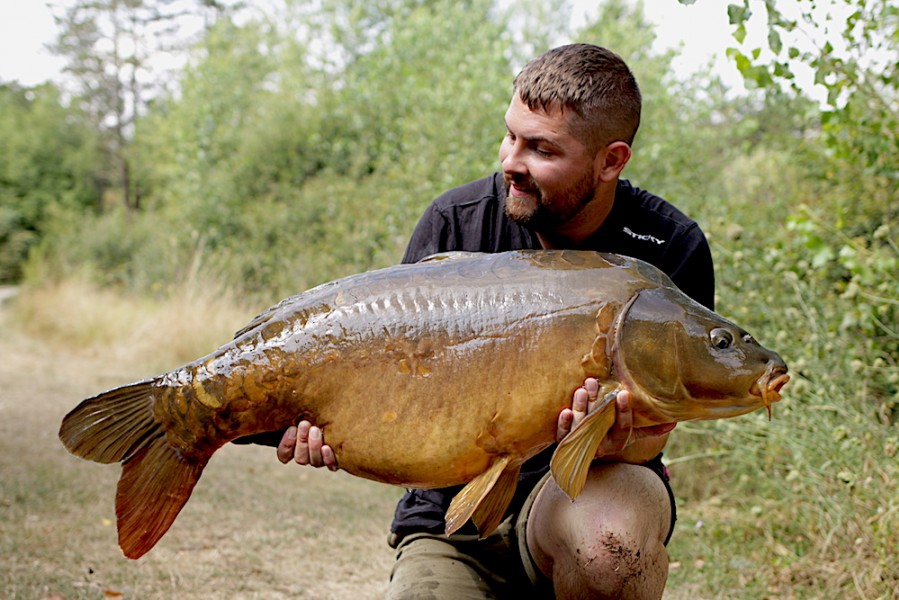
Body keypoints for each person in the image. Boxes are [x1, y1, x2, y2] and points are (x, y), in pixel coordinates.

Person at [276, 44, 715, 599]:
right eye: (511, 135)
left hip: (581, 498)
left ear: (611, 160)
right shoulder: (455, 222)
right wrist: (338, 428)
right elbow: (402, 398)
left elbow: (650, 443)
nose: (510, 161)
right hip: (449, 516)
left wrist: (605, 439)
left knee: (612, 545)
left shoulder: (668, 250)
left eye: (541, 149)